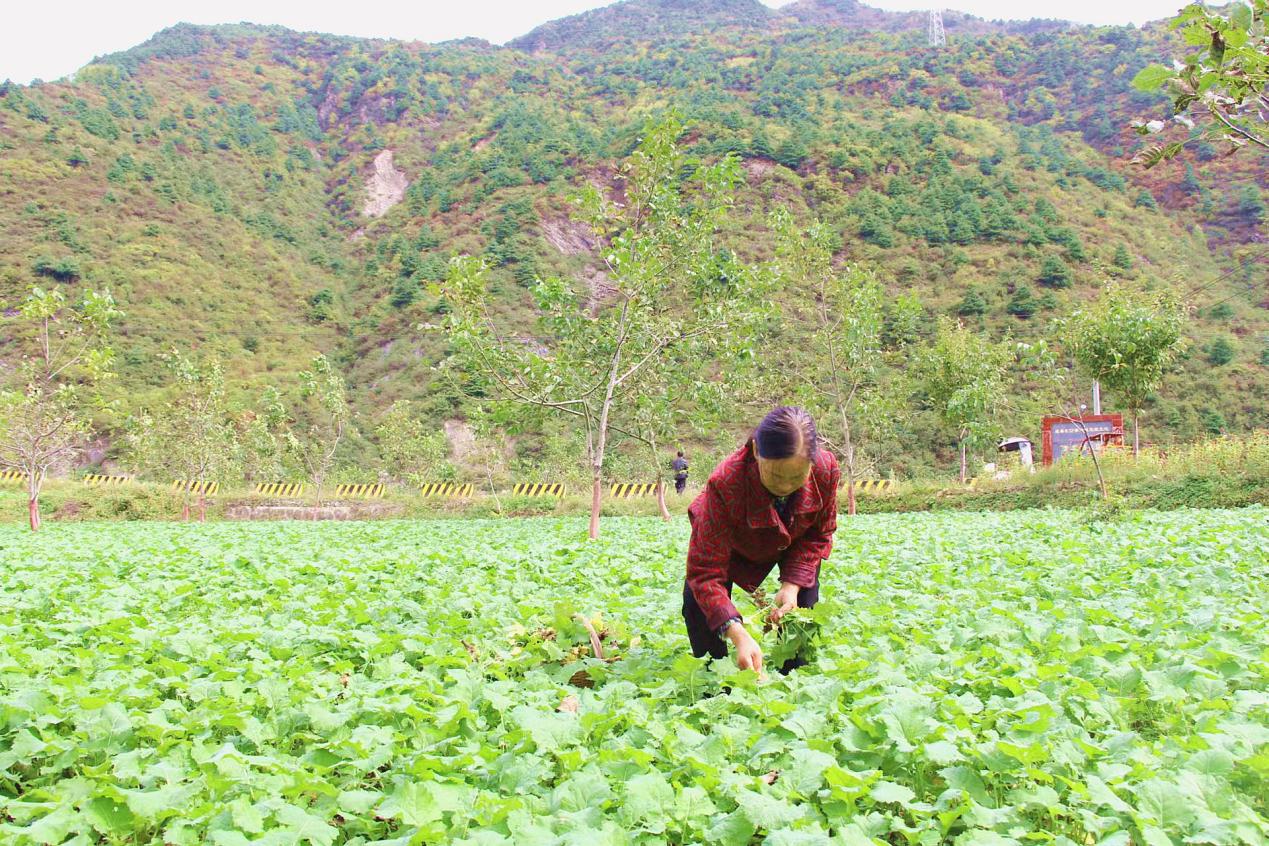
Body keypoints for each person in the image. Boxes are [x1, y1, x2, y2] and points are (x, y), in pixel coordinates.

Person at [682, 406, 839, 675]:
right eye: (776, 475)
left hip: (793, 538)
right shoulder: (725, 483)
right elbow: (706, 572)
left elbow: (817, 534)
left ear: (813, 463)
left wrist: (792, 586)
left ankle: (794, 677)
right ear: (756, 451)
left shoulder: (825, 471)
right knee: (698, 606)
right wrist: (738, 633)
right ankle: (716, 677)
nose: (786, 486)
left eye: (797, 477)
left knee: (801, 607)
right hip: (734, 544)